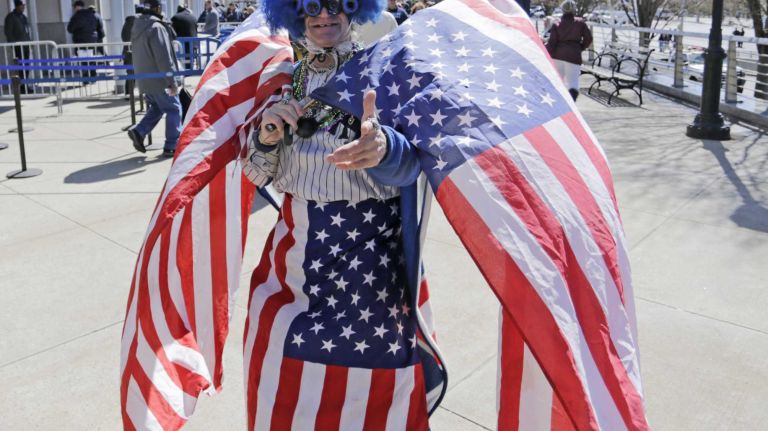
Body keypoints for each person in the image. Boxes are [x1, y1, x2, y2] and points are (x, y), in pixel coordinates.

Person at [241, 0, 428, 425]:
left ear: (355, 10)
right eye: (311, 7)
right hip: (294, 257)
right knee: (280, 374)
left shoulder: (383, 72)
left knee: (372, 390)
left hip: (370, 260)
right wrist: (267, 136)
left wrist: (383, 148)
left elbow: (413, 165)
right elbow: (254, 172)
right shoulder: (281, 79)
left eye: (336, 5)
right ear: (294, 14)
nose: (324, 16)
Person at [127, 0, 183, 158]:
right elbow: (163, 58)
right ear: (157, 8)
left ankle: (139, 131)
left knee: (158, 107)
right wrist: (172, 81)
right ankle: (172, 145)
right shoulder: (156, 27)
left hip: (145, 78)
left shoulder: (138, 26)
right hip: (159, 78)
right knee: (174, 109)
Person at [545, 0, 592, 100]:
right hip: (573, 55)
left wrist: (545, 52)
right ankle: (572, 104)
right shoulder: (580, 23)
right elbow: (588, 39)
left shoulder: (557, 23)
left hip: (557, 55)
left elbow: (552, 42)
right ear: (574, 9)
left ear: (562, 9)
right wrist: (580, 48)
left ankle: (557, 103)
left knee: (558, 81)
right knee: (573, 82)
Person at [3, 0, 31, 93]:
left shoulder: (23, 17)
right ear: (17, 6)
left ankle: (25, 84)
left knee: (26, 66)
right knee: (20, 67)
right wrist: (13, 45)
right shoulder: (11, 17)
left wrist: (29, 42)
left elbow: (26, 31)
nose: (23, 7)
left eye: (24, 6)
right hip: (18, 46)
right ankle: (21, 86)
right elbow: (8, 32)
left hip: (25, 45)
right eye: (21, 6)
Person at [172, 4, 199, 68]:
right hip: (193, 43)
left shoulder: (176, 17)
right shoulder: (193, 16)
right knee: (190, 62)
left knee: (182, 63)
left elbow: (173, 32)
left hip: (183, 44)